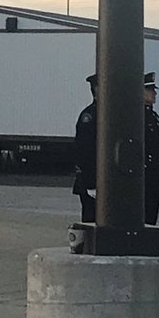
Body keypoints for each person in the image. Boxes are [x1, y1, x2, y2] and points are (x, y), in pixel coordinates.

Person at [72, 73, 98, 223]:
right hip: (92, 181)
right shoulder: (89, 116)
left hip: (106, 181)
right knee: (91, 222)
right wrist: (90, 183)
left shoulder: (109, 113)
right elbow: (84, 152)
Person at [143, 72, 159, 226]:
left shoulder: (154, 117)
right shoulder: (135, 115)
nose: (154, 93)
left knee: (151, 219)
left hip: (154, 176)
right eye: (150, 90)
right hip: (142, 175)